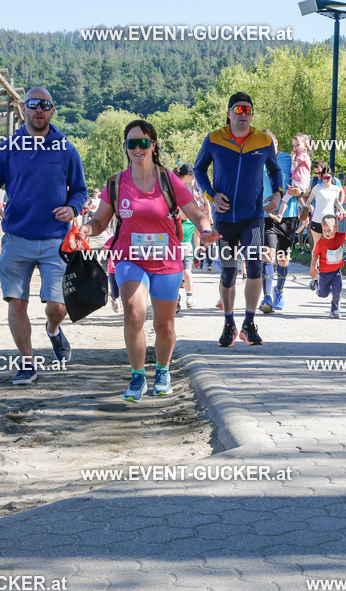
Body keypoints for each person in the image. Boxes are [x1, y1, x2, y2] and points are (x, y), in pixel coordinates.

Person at [81, 120, 210, 401]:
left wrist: (206, 230)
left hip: (166, 260)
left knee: (164, 326)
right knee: (134, 312)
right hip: (130, 258)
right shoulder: (116, 183)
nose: (137, 148)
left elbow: (196, 213)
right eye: (131, 143)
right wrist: (86, 229)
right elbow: (100, 220)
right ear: (126, 147)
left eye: (143, 142)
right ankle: (137, 377)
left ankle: (162, 372)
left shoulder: (169, 180)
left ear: (153, 145)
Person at [0, 87, 87, 384]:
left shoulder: (66, 149)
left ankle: (53, 330)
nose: (39, 109)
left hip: (55, 239)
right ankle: (27, 363)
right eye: (33, 104)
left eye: (45, 105)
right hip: (16, 238)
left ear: (52, 111)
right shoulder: (7, 148)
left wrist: (72, 207)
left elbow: (80, 190)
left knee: (58, 306)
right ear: (23, 109)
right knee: (16, 303)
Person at [193, 92, 282, 347]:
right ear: (229, 113)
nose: (243, 115)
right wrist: (211, 194)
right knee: (229, 273)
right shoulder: (214, 139)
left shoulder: (263, 140)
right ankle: (229, 323)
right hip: (224, 220)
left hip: (253, 218)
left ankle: (249, 323)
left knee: (254, 268)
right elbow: (199, 168)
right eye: (238, 110)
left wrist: (278, 193)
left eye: (247, 110)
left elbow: (275, 170)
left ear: (252, 114)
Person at [259, 131, 300, 315]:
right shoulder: (256, 159)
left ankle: (279, 292)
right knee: (268, 255)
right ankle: (266, 297)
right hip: (266, 215)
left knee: (283, 258)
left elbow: (301, 184)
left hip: (288, 216)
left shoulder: (289, 159)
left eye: (270, 143)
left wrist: (298, 191)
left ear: (276, 142)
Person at [302, 166, 345, 290]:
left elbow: (336, 202)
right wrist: (308, 208)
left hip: (330, 223)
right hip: (316, 222)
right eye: (323, 177)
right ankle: (315, 277)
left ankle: (328, 275)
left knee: (330, 250)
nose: (325, 179)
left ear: (332, 177)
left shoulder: (336, 189)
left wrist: (341, 209)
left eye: (327, 177)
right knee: (317, 249)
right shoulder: (317, 187)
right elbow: (308, 200)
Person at [177, 163, 208, 309]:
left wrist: (199, 250)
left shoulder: (191, 221)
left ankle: (189, 298)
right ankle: (175, 298)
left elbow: (197, 233)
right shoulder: (177, 187)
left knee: (186, 272)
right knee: (174, 274)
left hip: (186, 247)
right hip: (171, 247)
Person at [311, 215, 346, 318]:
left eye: (329, 230)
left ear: (336, 229)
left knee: (337, 289)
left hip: (336, 271)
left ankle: (335, 309)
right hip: (324, 273)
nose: (326, 233)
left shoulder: (339, 237)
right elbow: (315, 254)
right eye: (324, 230)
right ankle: (316, 283)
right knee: (323, 294)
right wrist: (313, 266)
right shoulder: (321, 243)